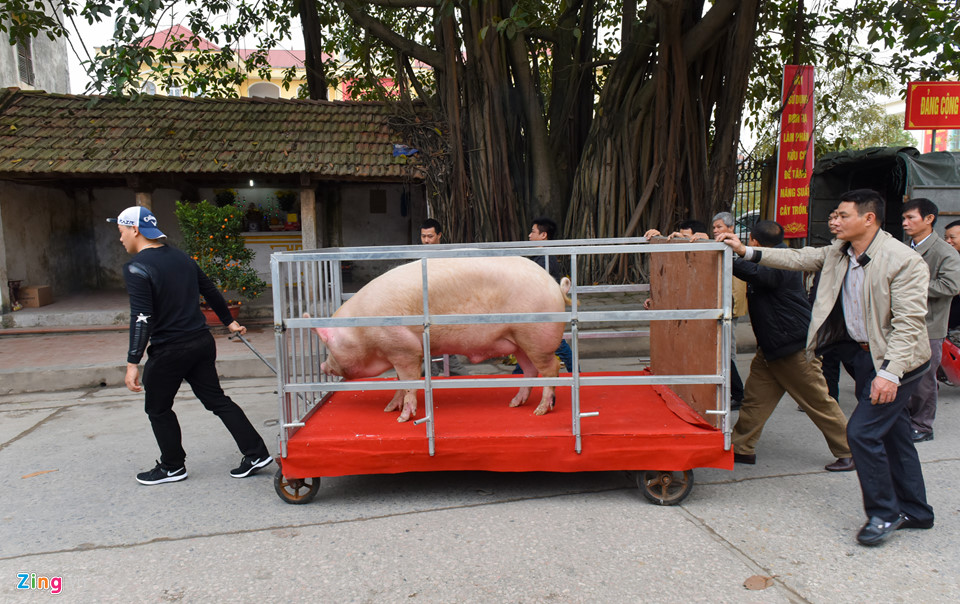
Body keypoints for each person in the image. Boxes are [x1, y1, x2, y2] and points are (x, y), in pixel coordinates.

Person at [717, 189, 933, 547]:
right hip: (862, 356)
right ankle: (917, 511)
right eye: (834, 214)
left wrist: (889, 374)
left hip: (897, 362)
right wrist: (745, 251)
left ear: (869, 218)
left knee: (862, 434)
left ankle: (884, 512)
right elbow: (799, 257)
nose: (835, 221)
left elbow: (909, 325)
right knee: (895, 437)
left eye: (843, 215)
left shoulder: (903, 260)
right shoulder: (839, 251)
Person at [110, 206, 272, 485]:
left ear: (135, 230)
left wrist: (132, 362)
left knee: (158, 409)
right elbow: (210, 290)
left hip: (169, 350)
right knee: (217, 400)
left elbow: (141, 317)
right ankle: (256, 453)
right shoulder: (181, 257)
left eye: (121, 231)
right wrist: (229, 321)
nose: (120, 238)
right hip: (200, 342)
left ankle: (172, 466)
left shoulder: (136, 268)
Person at [727, 220, 853, 471]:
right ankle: (741, 448)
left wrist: (729, 257)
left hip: (793, 347)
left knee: (819, 402)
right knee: (755, 400)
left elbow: (758, 274)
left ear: (754, 241)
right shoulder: (773, 256)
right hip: (771, 346)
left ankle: (850, 450)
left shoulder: (782, 260)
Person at [644, 218, 745, 405]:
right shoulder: (683, 251)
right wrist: (659, 238)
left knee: (721, 354)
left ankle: (736, 395)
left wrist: (705, 241)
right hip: (691, 311)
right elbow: (671, 276)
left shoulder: (714, 249)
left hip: (713, 310)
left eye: (686, 237)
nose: (682, 240)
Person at [900, 198, 960, 442]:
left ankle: (923, 426)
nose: (905, 223)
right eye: (904, 218)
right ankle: (905, 420)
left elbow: (950, 286)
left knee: (924, 380)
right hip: (903, 322)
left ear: (929, 219)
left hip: (929, 325)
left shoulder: (944, 252)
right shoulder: (904, 248)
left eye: (910, 218)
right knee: (902, 375)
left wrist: (913, 285)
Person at [521, 216, 574, 373]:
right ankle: (519, 374)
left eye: (533, 232)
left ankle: (576, 373)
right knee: (529, 345)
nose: (529, 235)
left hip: (544, 310)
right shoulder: (541, 257)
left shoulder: (545, 260)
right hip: (541, 309)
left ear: (543, 235)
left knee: (557, 344)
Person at [419, 218, 466, 376]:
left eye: (430, 236)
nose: (426, 241)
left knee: (444, 351)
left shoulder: (448, 257)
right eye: (423, 236)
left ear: (439, 235)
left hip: (445, 310)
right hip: (426, 310)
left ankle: (463, 380)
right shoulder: (420, 257)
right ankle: (430, 375)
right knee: (430, 349)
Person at [712, 212, 749, 408]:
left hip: (731, 305)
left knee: (728, 352)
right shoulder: (718, 244)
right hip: (722, 303)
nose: (715, 230)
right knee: (723, 351)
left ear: (731, 227)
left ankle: (738, 393)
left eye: (719, 227)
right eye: (714, 227)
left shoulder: (735, 247)